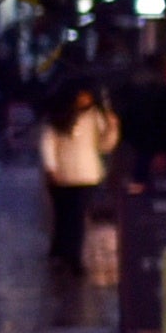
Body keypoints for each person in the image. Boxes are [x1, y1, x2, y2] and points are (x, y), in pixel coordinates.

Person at [38, 75, 116, 271]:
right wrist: (51, 167)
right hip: (62, 175)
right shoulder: (59, 117)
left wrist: (112, 128)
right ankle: (60, 251)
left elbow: (104, 146)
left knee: (78, 216)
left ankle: (73, 256)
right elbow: (48, 141)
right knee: (63, 215)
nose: (86, 99)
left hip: (87, 175)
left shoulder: (95, 116)